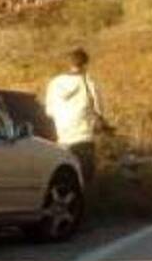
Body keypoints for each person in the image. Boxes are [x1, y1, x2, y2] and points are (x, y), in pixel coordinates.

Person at [45, 48, 108, 182]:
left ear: (69, 63)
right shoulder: (90, 84)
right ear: (86, 64)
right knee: (85, 181)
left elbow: (49, 112)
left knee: (66, 181)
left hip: (62, 141)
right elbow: (99, 112)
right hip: (84, 139)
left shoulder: (55, 84)